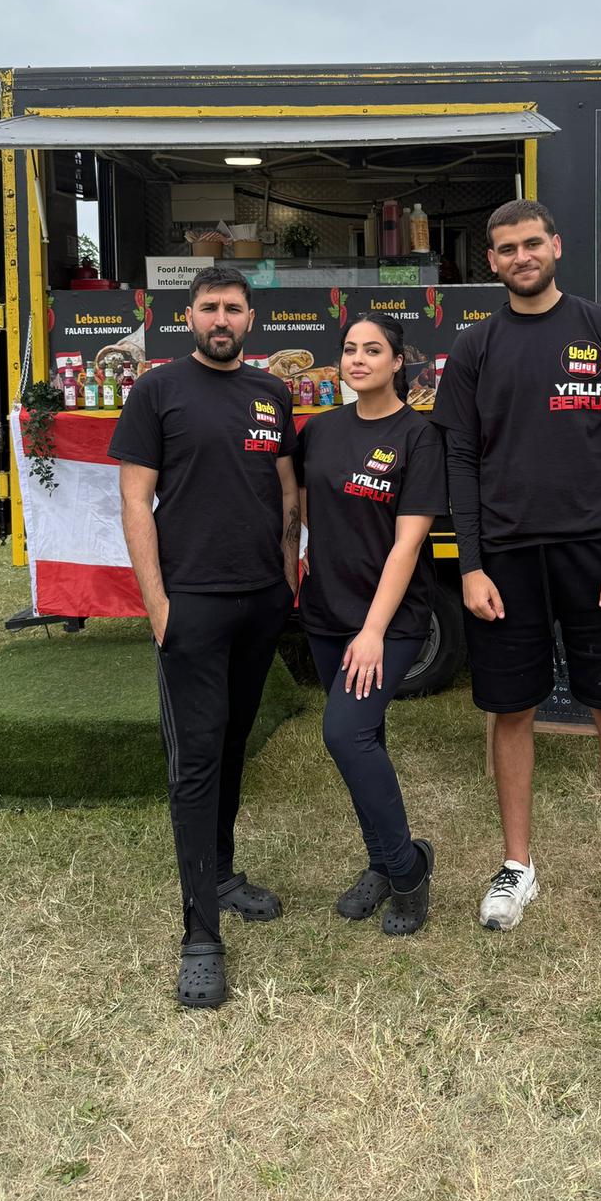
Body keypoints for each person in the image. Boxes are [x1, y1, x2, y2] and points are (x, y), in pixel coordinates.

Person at [431, 199, 601, 949]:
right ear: (492, 261)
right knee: (512, 711)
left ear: (556, 245)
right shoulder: (474, 348)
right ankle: (517, 865)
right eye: (506, 249)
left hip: (598, 554)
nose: (521, 257)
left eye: (532, 243)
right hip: (505, 557)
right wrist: (470, 565)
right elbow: (460, 460)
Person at [110, 266, 300, 1008]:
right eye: (210, 307)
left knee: (231, 742)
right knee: (194, 763)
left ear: (251, 319)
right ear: (188, 316)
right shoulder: (157, 390)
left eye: (234, 308)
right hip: (190, 603)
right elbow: (134, 502)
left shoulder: (271, 393)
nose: (222, 318)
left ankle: (220, 875)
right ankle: (200, 937)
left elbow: (285, 489)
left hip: (259, 601)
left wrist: (286, 575)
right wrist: (158, 605)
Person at [295, 313, 446, 935]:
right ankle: (382, 863)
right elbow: (306, 506)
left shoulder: (419, 437)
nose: (358, 360)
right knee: (366, 740)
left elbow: (407, 546)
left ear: (397, 362)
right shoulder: (320, 429)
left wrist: (373, 631)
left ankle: (408, 871)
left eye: (373, 350)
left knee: (345, 733)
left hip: (390, 619)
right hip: (325, 610)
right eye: (350, 349)